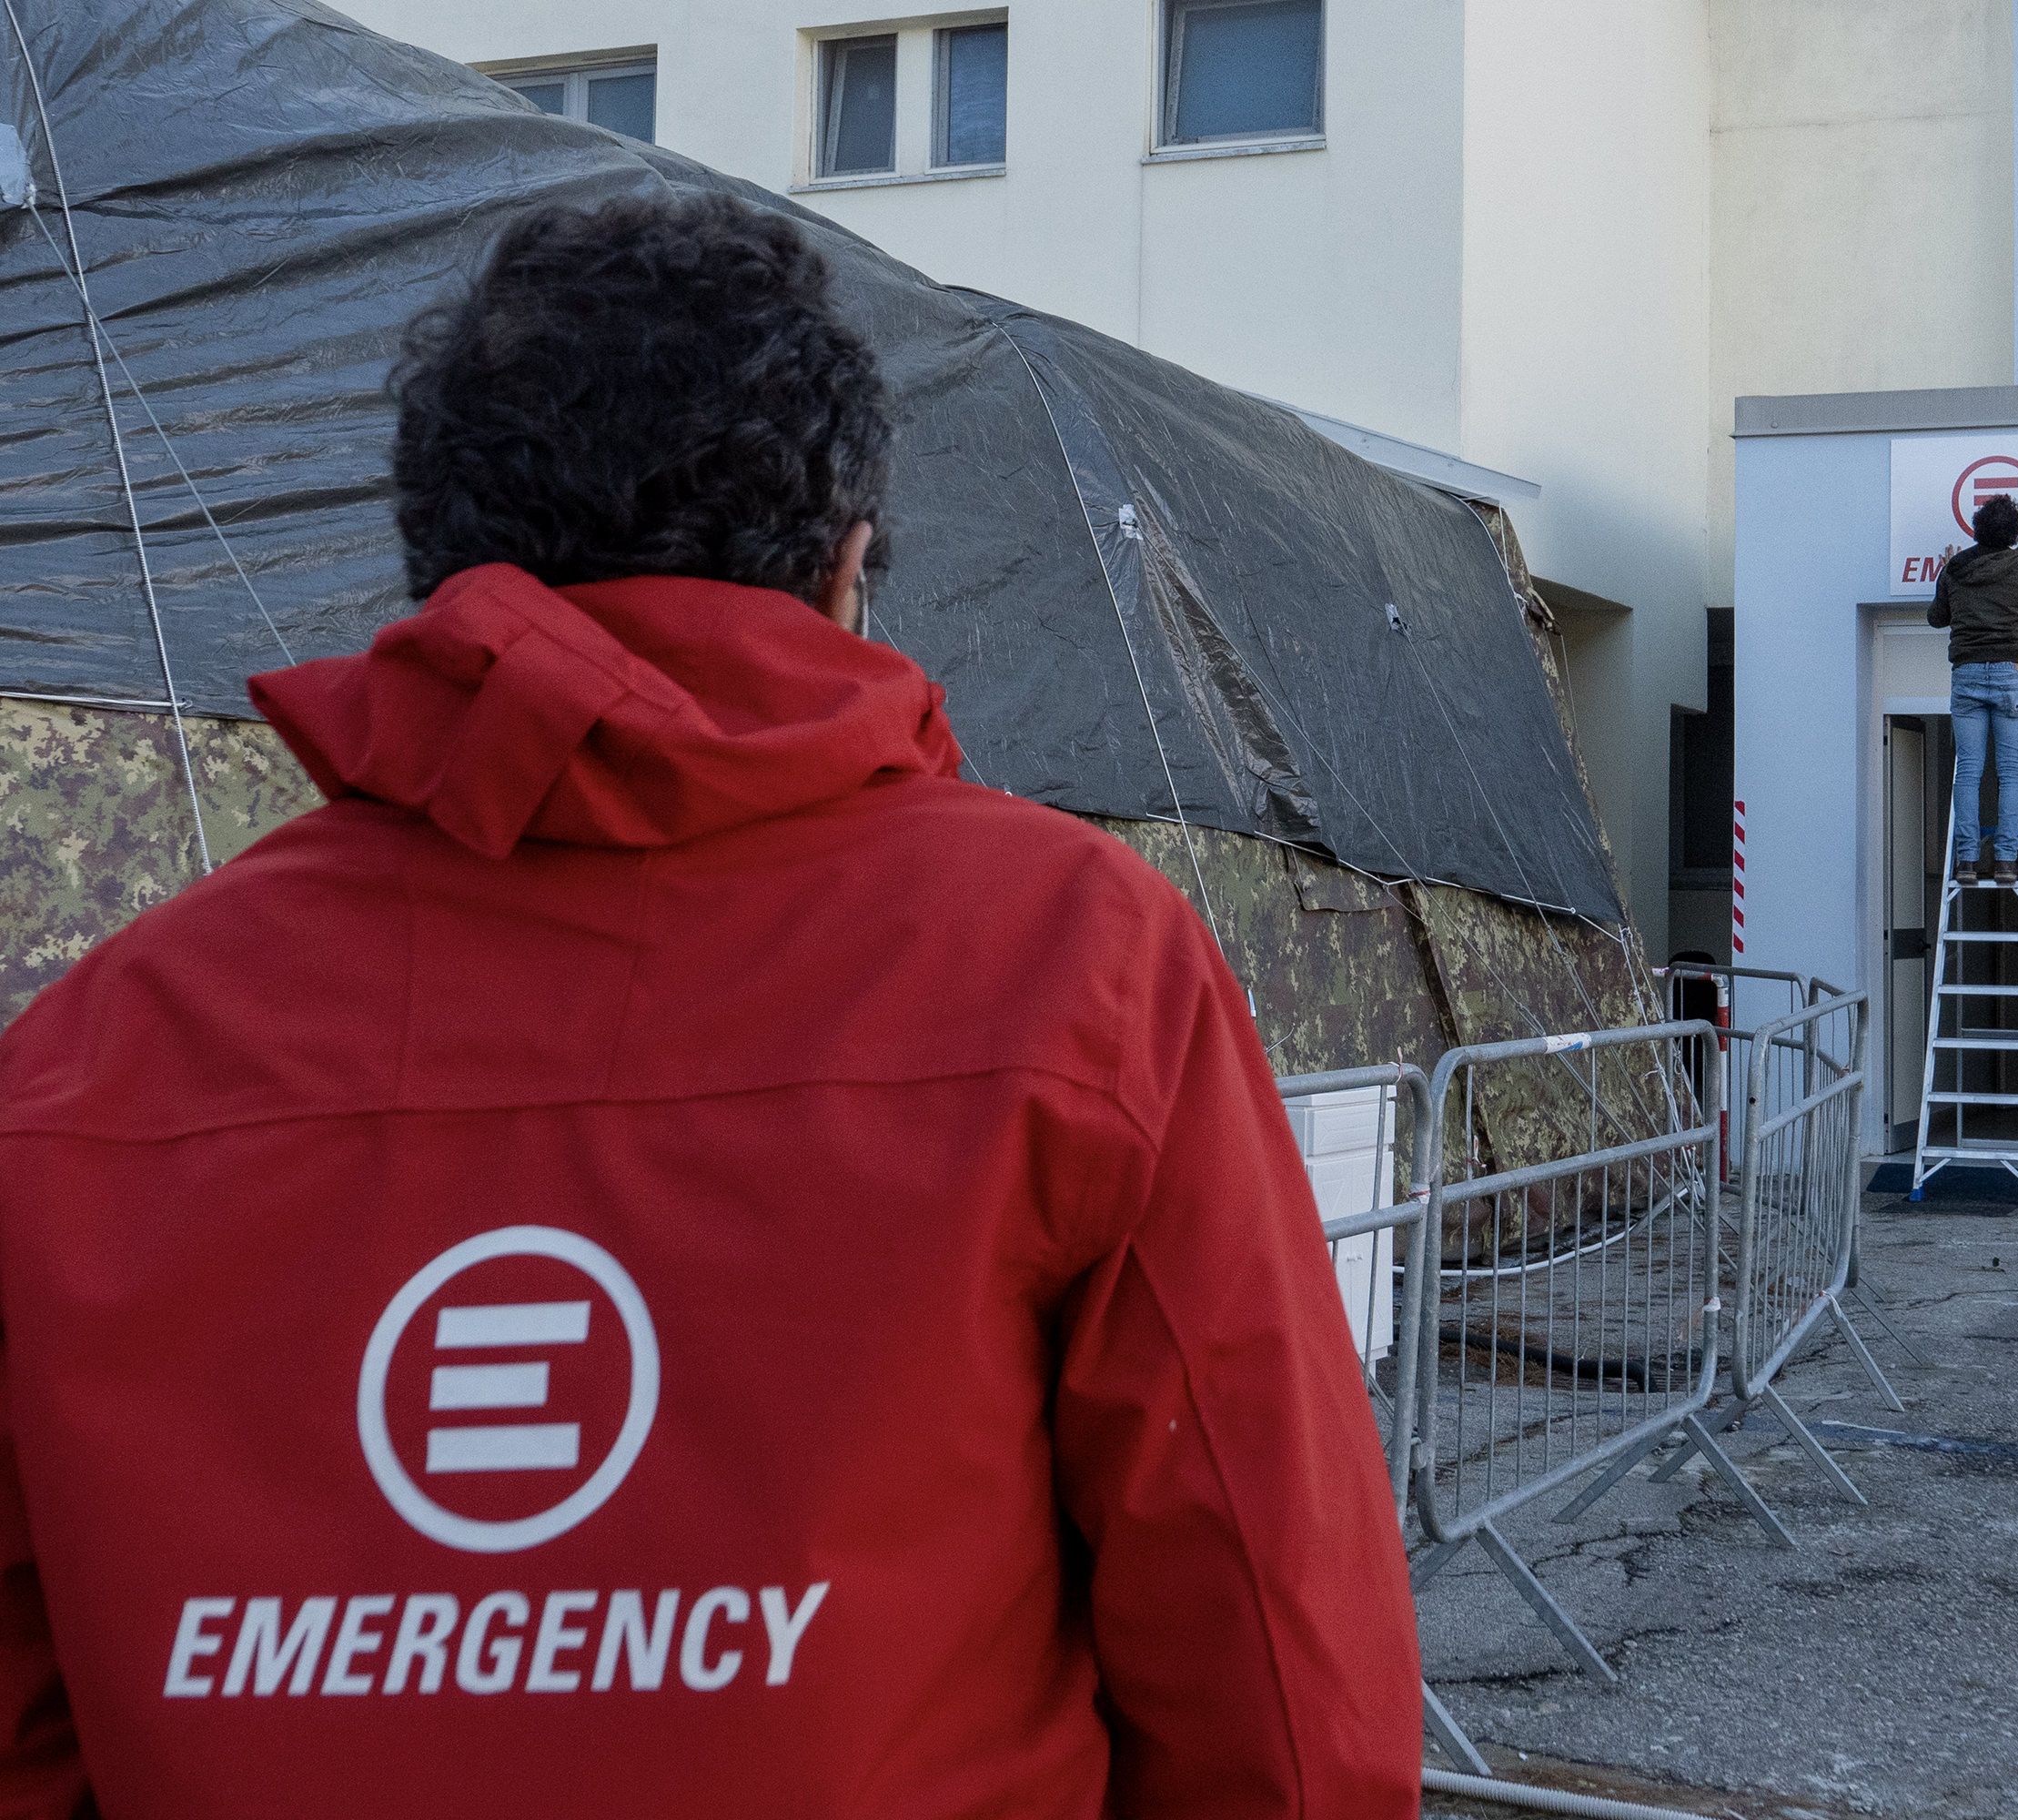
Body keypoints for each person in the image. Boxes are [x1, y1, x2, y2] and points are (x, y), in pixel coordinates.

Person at [0, 194, 1420, 1819]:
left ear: (438, 564)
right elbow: (1282, 1690)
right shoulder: (1076, 964)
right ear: (847, 565)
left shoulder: (87, 1053)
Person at [1928, 496, 2018, 885]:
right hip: (2013, 674)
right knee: (2011, 773)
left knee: (1969, 771)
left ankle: (1966, 861)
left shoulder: (1957, 569)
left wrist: (1947, 576)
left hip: (1967, 676)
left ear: (1975, 528)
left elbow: (1936, 618)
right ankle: (2007, 861)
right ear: (2017, 532)